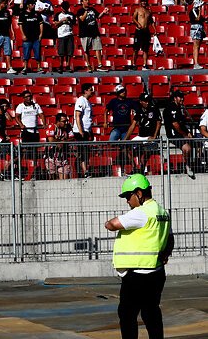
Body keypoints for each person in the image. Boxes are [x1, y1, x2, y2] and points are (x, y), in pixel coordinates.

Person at [104, 174, 173, 339]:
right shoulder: (161, 211)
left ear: (139, 194)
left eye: (128, 196)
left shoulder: (141, 213)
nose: (127, 201)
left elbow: (111, 225)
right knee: (151, 312)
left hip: (138, 276)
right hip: (156, 272)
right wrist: (165, 254)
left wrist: (108, 223)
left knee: (127, 314)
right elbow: (170, 238)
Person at [163, 90, 196, 179]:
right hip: (173, 134)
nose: (182, 99)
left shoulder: (179, 108)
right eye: (180, 97)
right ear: (175, 98)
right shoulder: (171, 108)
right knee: (187, 148)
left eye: (182, 97)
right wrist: (185, 135)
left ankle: (197, 164)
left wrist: (188, 132)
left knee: (197, 143)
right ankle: (188, 166)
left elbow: (182, 124)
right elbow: (175, 125)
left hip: (180, 133)